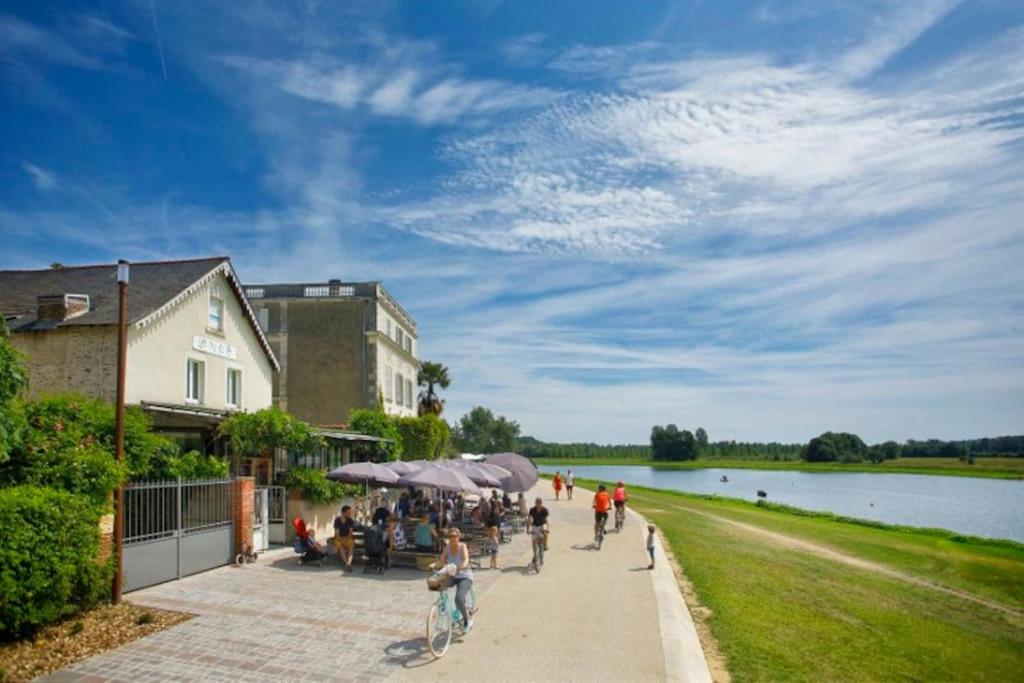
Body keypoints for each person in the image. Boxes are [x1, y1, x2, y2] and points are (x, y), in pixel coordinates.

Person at [433, 528, 474, 631]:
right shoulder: (447, 548)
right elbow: (441, 561)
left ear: (458, 537)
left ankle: (466, 621)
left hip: (464, 576)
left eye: (454, 536)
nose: (452, 538)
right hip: (452, 575)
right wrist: (434, 565)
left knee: (459, 599)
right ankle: (444, 607)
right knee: (437, 584)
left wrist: (463, 566)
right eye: (450, 536)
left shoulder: (462, 546)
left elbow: (466, 559)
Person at [334, 505, 356, 572]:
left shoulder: (350, 520)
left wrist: (346, 538)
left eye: (350, 513)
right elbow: (337, 533)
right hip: (339, 538)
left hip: (348, 537)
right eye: (348, 513)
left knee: (351, 546)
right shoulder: (337, 520)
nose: (350, 514)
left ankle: (348, 563)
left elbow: (350, 532)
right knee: (341, 547)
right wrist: (341, 539)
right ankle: (347, 564)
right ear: (343, 513)